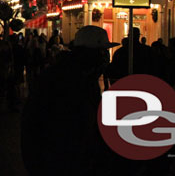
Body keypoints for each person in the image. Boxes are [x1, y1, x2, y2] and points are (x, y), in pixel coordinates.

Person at [21, 25, 119, 175]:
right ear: (90, 53)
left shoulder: (86, 79)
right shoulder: (64, 80)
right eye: (102, 51)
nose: (106, 57)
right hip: (61, 163)